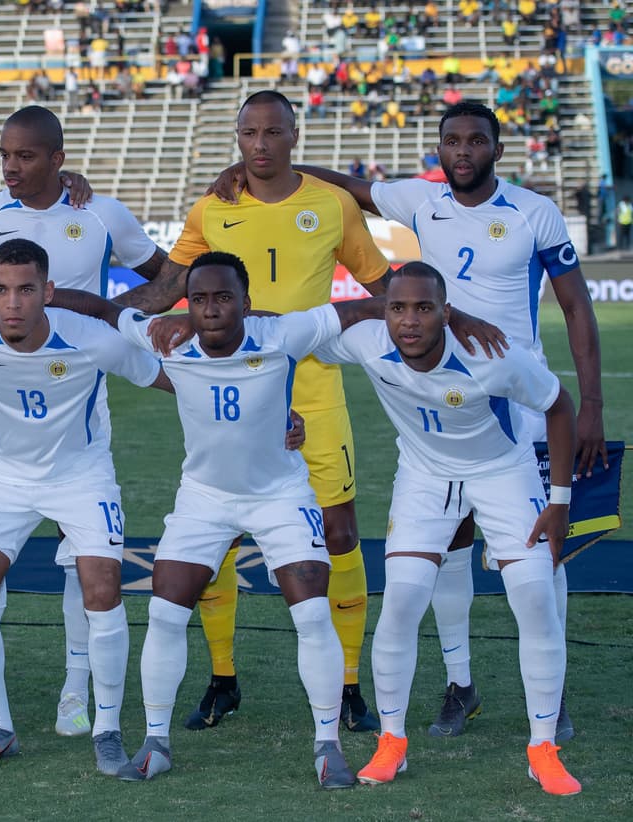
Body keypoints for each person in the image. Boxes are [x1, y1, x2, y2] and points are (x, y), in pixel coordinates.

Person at [255, 100, 603, 740]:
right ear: (438, 150)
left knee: (540, 560)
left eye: (475, 141)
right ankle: (460, 684)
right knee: (449, 551)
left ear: (497, 149)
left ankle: (552, 703)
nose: (462, 151)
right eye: (451, 141)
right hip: (432, 399)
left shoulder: (534, 212)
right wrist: (261, 168)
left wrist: (592, 409)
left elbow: (577, 311)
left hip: (517, 403)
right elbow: (345, 187)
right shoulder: (418, 200)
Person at [56, 252, 388, 787]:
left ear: (246, 303)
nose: (211, 309)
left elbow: (358, 312)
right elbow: (101, 309)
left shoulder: (282, 333)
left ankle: (328, 747)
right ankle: (156, 742)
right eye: (200, 299)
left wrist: (451, 316)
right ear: (189, 305)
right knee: (165, 610)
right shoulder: (171, 338)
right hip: (204, 497)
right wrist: (47, 296)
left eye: (223, 298)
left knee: (311, 612)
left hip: (280, 494)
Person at [120, 90, 390, 734]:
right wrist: (66, 310)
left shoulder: (332, 204)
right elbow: (163, 291)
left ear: (295, 135)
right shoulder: (214, 208)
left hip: (314, 390)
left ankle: (349, 682)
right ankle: (222, 676)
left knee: (340, 533)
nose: (261, 144)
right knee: (223, 533)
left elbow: (384, 290)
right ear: (236, 138)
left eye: (273, 132)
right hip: (229, 395)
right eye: (249, 133)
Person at [0, 105, 168, 737]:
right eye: (5, 154)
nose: (11, 167)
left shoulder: (100, 213)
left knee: (81, 560)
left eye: (26, 156)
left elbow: (167, 276)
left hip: (76, 398)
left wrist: (103, 316)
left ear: (58, 159)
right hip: (1, 417)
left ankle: (74, 687)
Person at [314, 263, 581, 796]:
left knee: (533, 600)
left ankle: (543, 749)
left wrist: (559, 501)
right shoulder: (368, 343)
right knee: (403, 601)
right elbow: (291, 332)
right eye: (397, 308)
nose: (409, 322)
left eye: (423, 308)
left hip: (503, 472)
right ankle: (392, 741)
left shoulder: (491, 355)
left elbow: (558, 405)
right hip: (424, 475)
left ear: (446, 312)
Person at [0, 238, 165, 774]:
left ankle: (108, 729)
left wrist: (272, 411)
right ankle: (0, 726)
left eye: (26, 289)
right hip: (7, 478)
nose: (14, 302)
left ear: (48, 291)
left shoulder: (92, 339)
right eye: (0, 290)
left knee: (102, 588)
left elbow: (164, 376)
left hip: (82, 475)